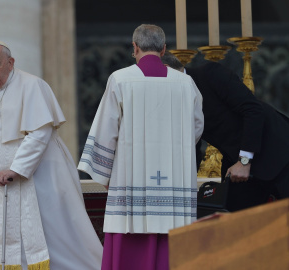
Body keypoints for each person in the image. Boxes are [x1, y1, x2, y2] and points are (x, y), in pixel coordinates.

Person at [0, 41, 102, 270]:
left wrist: (17, 168)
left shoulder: (32, 85)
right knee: (9, 234)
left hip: (42, 173)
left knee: (56, 231)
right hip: (1, 176)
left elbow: (40, 133)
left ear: (10, 63)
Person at [78, 25, 204, 270]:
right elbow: (196, 127)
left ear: (134, 47)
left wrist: (106, 174)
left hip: (130, 181)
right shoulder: (186, 83)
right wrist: (178, 152)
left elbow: (107, 130)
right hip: (174, 184)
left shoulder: (120, 79)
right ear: (164, 49)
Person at [162, 52, 289, 212]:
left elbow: (253, 110)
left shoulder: (209, 73)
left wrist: (244, 161)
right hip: (236, 161)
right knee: (234, 219)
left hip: (275, 150)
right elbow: (193, 145)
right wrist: (187, 187)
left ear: (166, 69)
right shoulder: (177, 102)